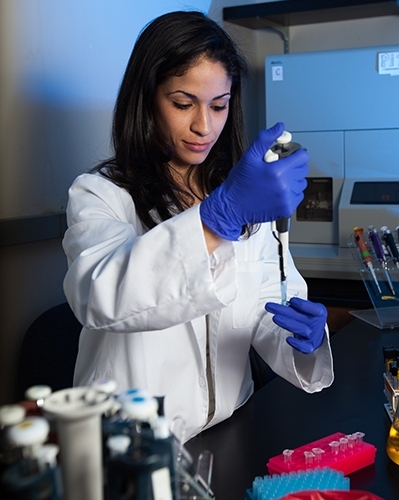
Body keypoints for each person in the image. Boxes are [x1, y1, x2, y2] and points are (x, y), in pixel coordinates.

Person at [62, 10, 334, 442]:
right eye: (183, 104)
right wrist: (215, 219)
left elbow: (267, 307)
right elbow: (99, 295)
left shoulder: (242, 197)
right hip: (134, 444)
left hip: (229, 432)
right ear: (147, 99)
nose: (203, 126)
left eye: (218, 105)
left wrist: (303, 336)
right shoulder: (101, 194)